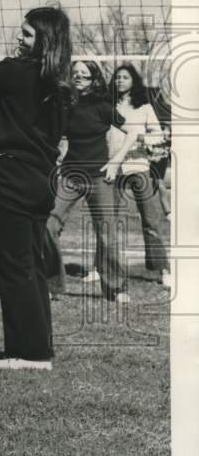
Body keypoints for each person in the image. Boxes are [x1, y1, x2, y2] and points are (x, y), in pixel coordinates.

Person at [0, 6, 72, 371]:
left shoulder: (13, 72)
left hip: (10, 176)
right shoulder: (59, 81)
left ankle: (28, 355)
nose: (17, 39)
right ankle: (39, 349)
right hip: (41, 180)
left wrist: (1, 79)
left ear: (43, 40)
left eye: (26, 35)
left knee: (12, 266)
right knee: (32, 266)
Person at [43, 61, 140, 303]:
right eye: (75, 73)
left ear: (93, 79)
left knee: (107, 233)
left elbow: (134, 131)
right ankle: (53, 285)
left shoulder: (102, 106)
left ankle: (115, 288)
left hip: (99, 176)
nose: (78, 78)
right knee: (48, 225)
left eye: (84, 75)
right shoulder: (65, 105)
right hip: (70, 176)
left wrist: (116, 161)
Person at [110, 63, 172, 291]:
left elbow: (158, 136)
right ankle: (103, 267)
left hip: (138, 166)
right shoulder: (108, 106)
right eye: (117, 78)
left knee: (151, 220)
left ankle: (163, 269)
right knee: (107, 220)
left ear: (133, 81)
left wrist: (141, 139)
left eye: (125, 77)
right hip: (113, 169)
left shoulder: (144, 107)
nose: (120, 81)